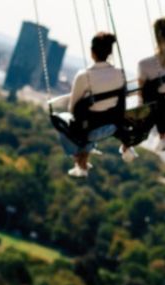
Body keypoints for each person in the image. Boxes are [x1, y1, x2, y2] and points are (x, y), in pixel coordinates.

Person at [47, 32, 126, 177]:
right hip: (111, 125)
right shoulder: (120, 74)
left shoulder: (84, 75)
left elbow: (73, 108)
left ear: (92, 52)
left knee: (63, 120)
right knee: (89, 123)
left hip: (88, 129)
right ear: (109, 52)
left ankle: (79, 158)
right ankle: (83, 159)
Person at [122, 16, 165, 158]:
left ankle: (127, 146)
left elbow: (142, 94)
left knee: (151, 105)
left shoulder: (145, 64)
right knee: (160, 103)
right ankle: (162, 137)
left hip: (154, 109)